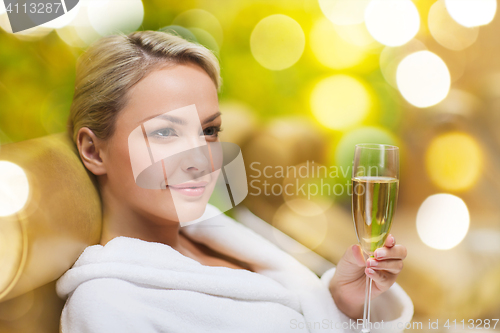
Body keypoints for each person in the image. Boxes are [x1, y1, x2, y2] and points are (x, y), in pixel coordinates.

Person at [55, 30, 413, 333]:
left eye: (209, 131)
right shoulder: (106, 304)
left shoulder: (219, 235)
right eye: (165, 132)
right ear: (93, 150)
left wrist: (342, 303)